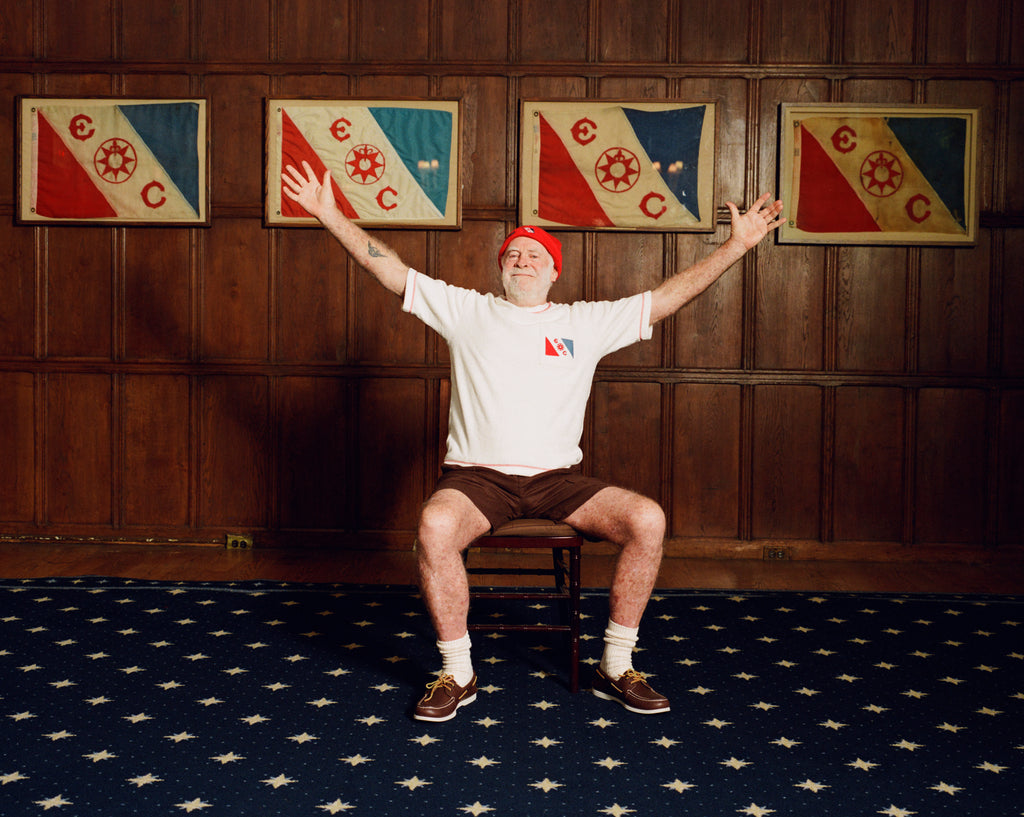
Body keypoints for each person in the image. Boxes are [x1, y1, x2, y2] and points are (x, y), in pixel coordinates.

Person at [282, 160, 784, 722]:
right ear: (501, 269)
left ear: (553, 272)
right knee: (434, 525)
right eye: (513, 255)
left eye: (535, 255)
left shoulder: (585, 322)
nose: (522, 261)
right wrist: (329, 215)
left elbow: (667, 298)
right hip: (477, 479)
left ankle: (616, 665)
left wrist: (736, 246)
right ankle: (457, 672)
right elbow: (390, 269)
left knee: (647, 519)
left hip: (557, 482)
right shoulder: (466, 311)